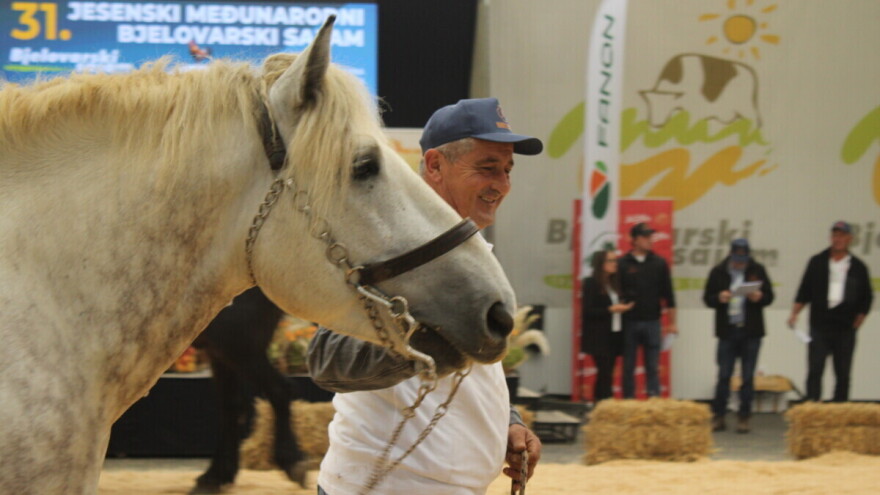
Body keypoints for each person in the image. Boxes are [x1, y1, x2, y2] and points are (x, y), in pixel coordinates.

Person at [307, 98, 543, 495]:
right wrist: (429, 342)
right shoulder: (387, 248)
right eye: (487, 168)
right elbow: (327, 360)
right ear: (435, 166)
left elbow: (474, 370)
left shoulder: (474, 253)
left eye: (506, 170)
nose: (502, 184)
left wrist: (507, 420)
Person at [788, 221, 873, 402]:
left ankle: (839, 411)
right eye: (835, 235)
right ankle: (812, 409)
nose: (838, 239)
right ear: (830, 237)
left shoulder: (858, 267)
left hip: (845, 328)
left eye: (842, 236)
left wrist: (859, 320)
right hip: (819, 326)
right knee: (815, 370)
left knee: (842, 373)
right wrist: (795, 313)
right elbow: (804, 290)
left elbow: (867, 297)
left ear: (850, 239)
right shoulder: (817, 262)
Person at [702, 238, 774, 433]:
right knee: (724, 375)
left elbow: (770, 296)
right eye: (736, 258)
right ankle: (719, 415)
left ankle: (744, 417)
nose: (739, 263)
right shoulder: (718, 271)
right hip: (727, 331)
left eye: (743, 259)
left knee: (748, 377)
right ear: (731, 254)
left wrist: (759, 297)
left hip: (751, 331)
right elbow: (707, 298)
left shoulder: (757, 270)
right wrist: (719, 297)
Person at [618, 222, 677, 398]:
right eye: (645, 237)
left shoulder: (659, 263)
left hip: (653, 321)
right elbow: (615, 293)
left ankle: (654, 402)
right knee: (628, 366)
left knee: (653, 366)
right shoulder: (622, 263)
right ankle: (628, 402)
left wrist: (672, 323)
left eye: (650, 236)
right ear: (635, 240)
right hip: (629, 321)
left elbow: (669, 295)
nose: (650, 240)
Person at [580, 249, 633, 402]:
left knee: (608, 371)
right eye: (611, 261)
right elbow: (588, 310)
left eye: (615, 261)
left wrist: (624, 306)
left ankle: (605, 402)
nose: (615, 264)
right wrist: (610, 309)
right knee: (604, 371)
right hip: (599, 336)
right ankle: (602, 401)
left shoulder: (614, 284)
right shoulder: (591, 283)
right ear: (601, 264)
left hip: (615, 334)